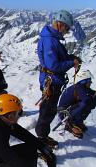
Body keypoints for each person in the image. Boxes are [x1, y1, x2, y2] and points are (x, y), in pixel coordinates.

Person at [35, 10, 82, 148]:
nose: (67, 31)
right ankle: (41, 138)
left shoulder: (52, 38)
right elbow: (54, 65)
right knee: (47, 111)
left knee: (48, 110)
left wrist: (70, 58)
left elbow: (57, 58)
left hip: (52, 80)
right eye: (66, 27)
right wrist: (71, 63)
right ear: (59, 24)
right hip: (51, 81)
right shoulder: (50, 40)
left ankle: (42, 135)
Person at [58, 70, 96, 138]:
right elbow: (88, 100)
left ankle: (77, 122)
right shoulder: (79, 88)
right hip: (64, 113)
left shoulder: (83, 87)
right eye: (89, 81)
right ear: (84, 81)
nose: (90, 82)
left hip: (69, 110)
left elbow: (93, 96)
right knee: (84, 104)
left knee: (86, 103)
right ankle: (70, 124)